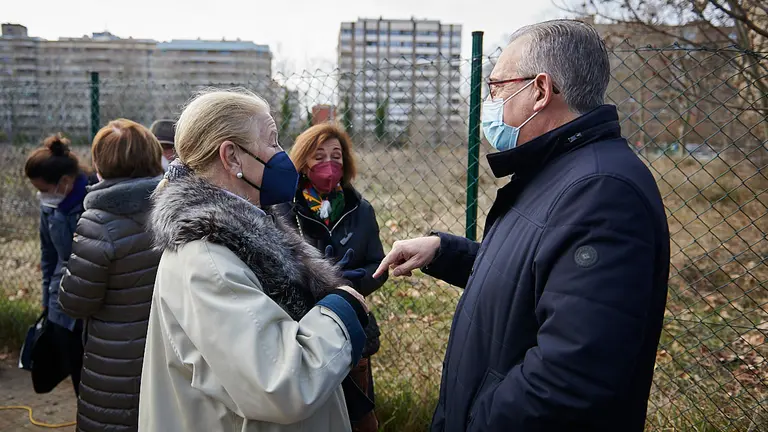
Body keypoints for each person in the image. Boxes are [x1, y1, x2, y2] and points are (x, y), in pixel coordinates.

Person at [374, 20, 670, 432]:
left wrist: (477, 420)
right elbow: (533, 276)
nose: (490, 101)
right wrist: (445, 251)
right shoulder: (555, 172)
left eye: (496, 87)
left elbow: (569, 380)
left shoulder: (602, 194)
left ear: (540, 91)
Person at [139, 88, 369, 432]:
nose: (283, 156)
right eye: (273, 141)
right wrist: (340, 314)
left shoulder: (244, 236)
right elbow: (281, 384)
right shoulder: (208, 260)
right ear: (232, 157)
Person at [277, 123, 387, 432]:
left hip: (351, 323)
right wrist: (317, 278)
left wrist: (352, 283)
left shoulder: (361, 210)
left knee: (359, 417)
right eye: (319, 155)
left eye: (336, 156)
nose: (329, 164)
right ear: (303, 162)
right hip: (302, 324)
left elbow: (378, 265)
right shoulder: (286, 208)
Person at [59, 119, 164, 431]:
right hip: (168, 349)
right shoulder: (177, 207)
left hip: (115, 359)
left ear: (99, 165)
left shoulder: (98, 223)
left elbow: (75, 302)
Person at [24, 133, 88, 396]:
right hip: (60, 302)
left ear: (65, 181)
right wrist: (46, 300)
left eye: (43, 190)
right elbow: (48, 256)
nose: (41, 197)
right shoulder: (50, 208)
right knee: (75, 371)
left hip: (90, 302)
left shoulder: (93, 201)